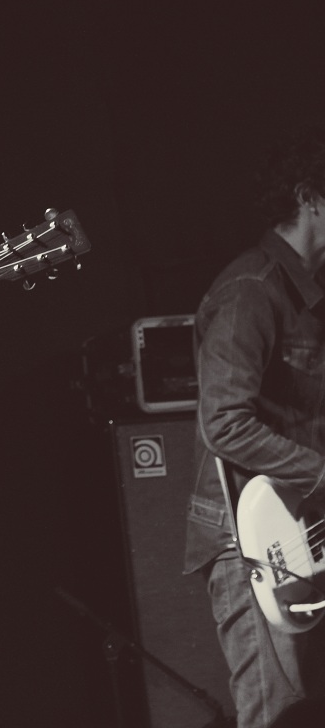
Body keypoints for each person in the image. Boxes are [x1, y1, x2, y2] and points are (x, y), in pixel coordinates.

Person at [185, 125, 325, 728]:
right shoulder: (253, 289)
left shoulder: (308, 297)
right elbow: (224, 421)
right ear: (308, 196)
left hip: (306, 531)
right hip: (256, 543)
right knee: (277, 717)